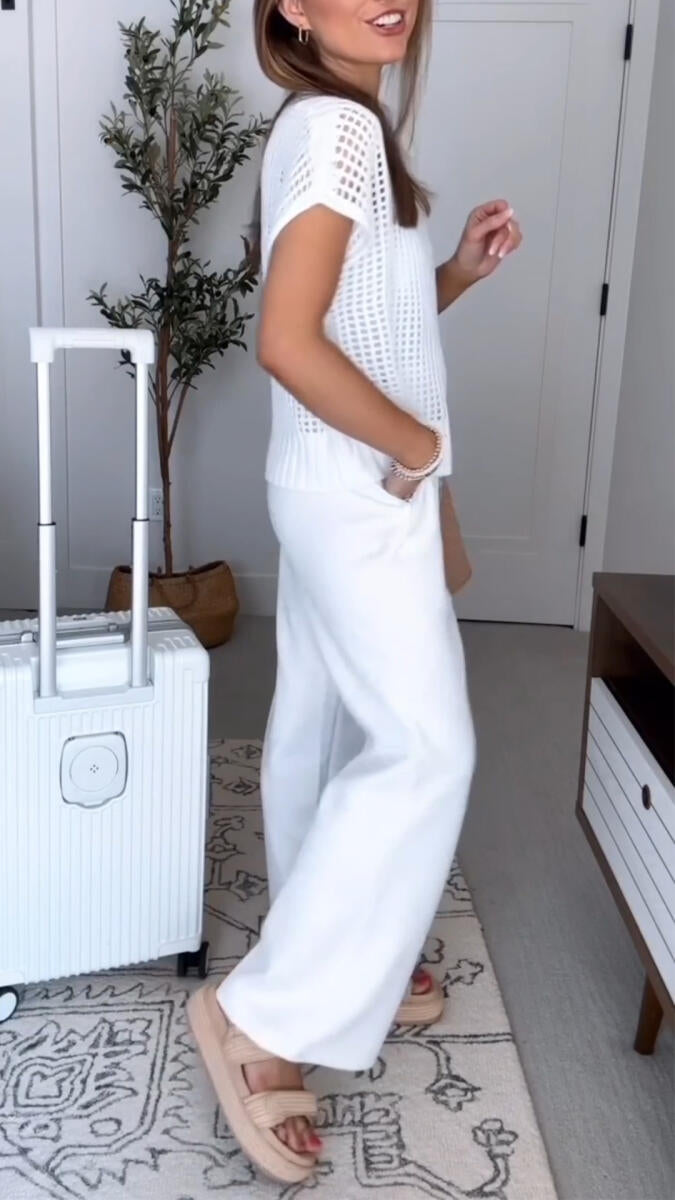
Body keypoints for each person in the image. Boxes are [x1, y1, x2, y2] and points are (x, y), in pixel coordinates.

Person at [188, 0, 523, 1184]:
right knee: (427, 750)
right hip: (363, 493)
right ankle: (268, 1016)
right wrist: (419, 450)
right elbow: (288, 341)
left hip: (323, 484)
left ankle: (341, 957)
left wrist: (455, 274)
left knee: (323, 732)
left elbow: (355, 322)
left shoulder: (331, 124)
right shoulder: (335, 129)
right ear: (290, 6)